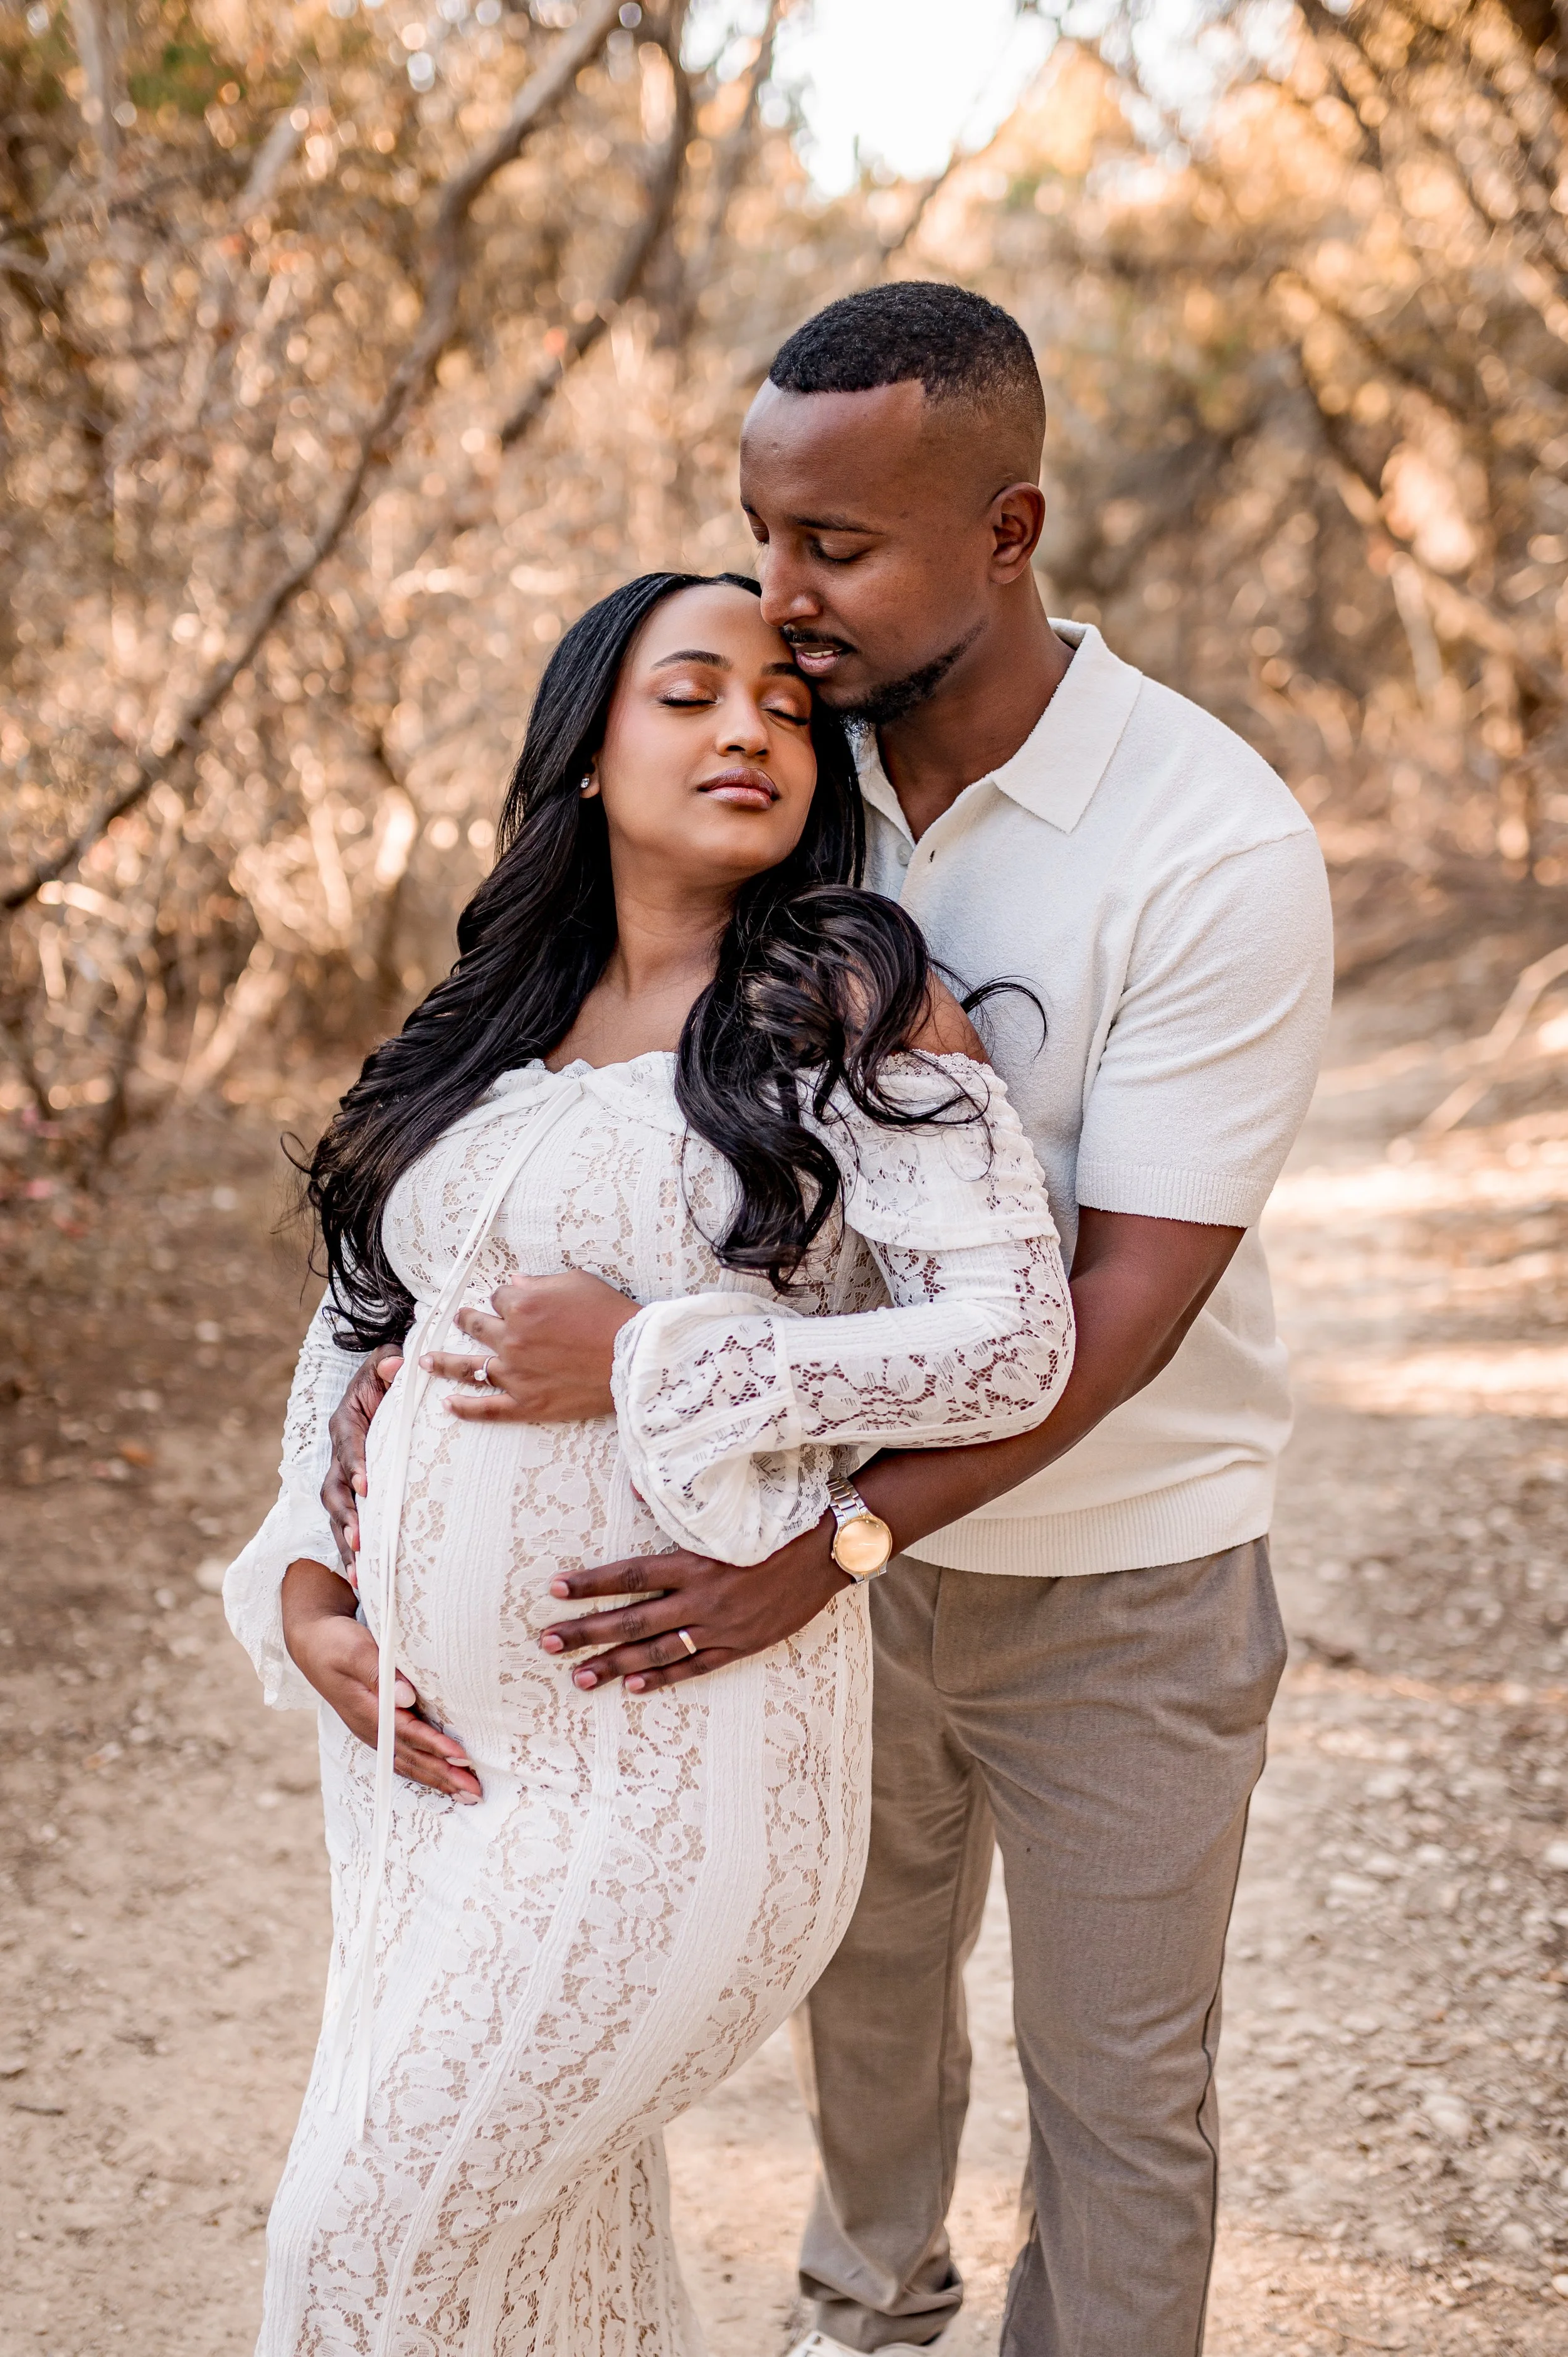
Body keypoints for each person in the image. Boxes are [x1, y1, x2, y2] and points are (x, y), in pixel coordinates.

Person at [324, 284, 1334, 2356]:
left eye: (836, 548)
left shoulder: (1208, 842)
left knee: (1116, 2090)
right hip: (791, 1562)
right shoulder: (787, 763)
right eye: (761, 535)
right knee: (861, 2040)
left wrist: (835, 1537)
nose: (781, 601)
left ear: (1008, 529)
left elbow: (1120, 1301)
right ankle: (865, 2319)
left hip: (1111, 1567)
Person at [224, 569, 1074, 2356]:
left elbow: (1012, 1340)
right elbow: (358, 1329)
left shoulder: (844, 1003)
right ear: (588, 752)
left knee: (357, 2247)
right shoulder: (483, 1026)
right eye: (690, 694)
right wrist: (306, 1588)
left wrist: (647, 1352)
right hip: (431, 1781)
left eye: (785, 703)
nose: (749, 729)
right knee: (552, 2286)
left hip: (680, 1771)